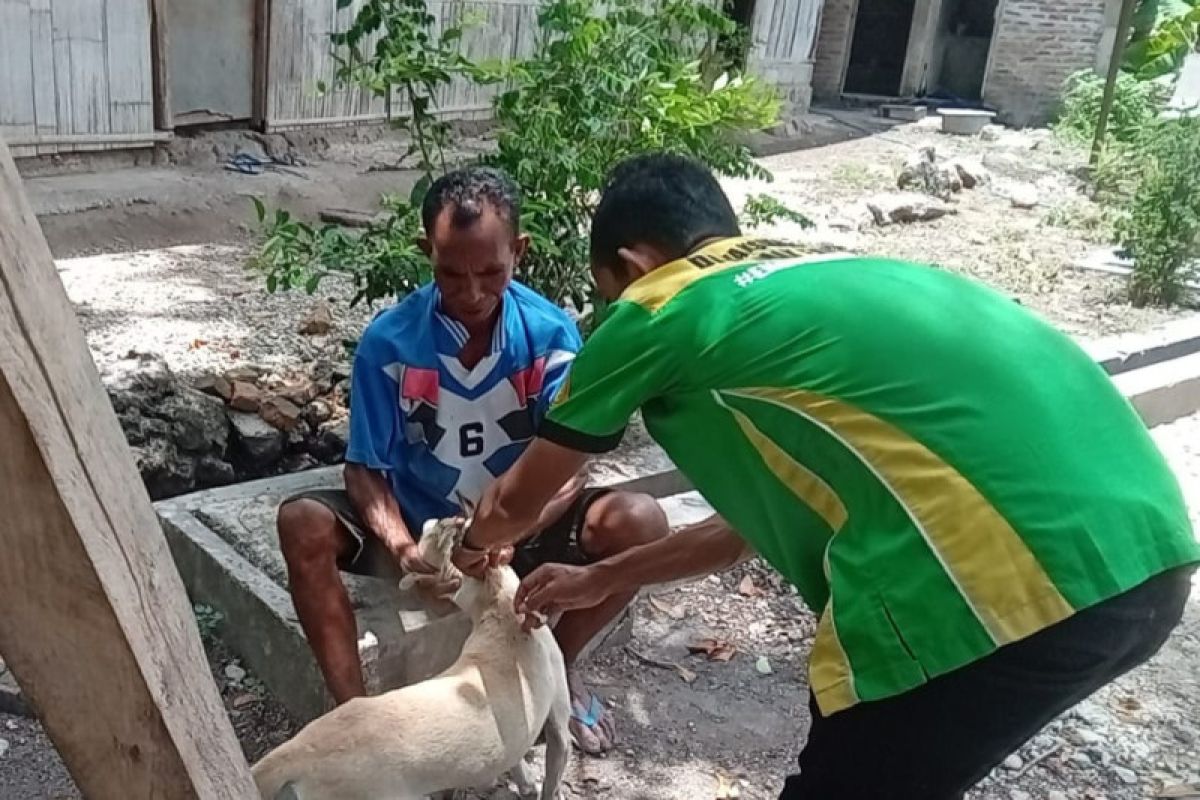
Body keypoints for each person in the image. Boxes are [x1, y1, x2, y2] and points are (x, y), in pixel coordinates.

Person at [454, 153, 1200, 798]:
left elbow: (520, 499)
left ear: (637, 262)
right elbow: (740, 534)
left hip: (991, 582)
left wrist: (468, 545)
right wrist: (599, 578)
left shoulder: (661, 306)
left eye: (609, 292)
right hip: (1145, 556)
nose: (613, 312)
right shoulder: (832, 271)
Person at [275, 166, 668, 754]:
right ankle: (355, 720)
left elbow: (572, 463)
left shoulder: (551, 334)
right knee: (300, 522)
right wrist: (406, 547)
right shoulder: (390, 341)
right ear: (424, 253)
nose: (473, 293)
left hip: (522, 525)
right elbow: (364, 469)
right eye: (450, 274)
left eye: (491, 272)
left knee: (642, 524)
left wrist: (517, 528)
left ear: (520, 252)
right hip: (424, 528)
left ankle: (558, 667)